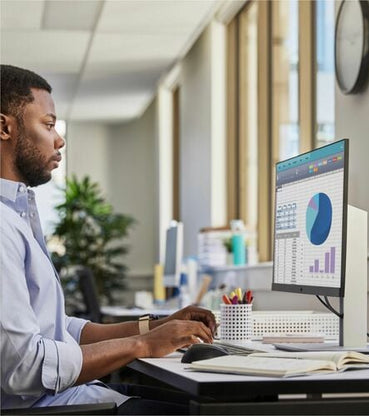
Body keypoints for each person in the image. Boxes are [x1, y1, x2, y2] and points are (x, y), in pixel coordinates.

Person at [0, 64, 217, 414]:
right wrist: (142, 345)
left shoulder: (17, 213)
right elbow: (23, 367)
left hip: (59, 400)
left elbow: (58, 329)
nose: (59, 140)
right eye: (49, 124)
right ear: (4, 127)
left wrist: (155, 327)